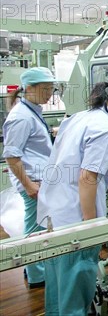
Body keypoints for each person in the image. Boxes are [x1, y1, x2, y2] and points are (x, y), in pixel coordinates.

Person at [37, 76, 108, 316]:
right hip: (76, 220)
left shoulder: (80, 117)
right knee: (75, 293)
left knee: (57, 286)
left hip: (54, 212)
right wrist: (91, 225)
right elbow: (87, 178)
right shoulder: (106, 129)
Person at [2, 67, 57, 288]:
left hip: (39, 179)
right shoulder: (21, 116)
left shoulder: (31, 110)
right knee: (36, 229)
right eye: (45, 88)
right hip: (34, 182)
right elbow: (12, 156)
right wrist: (29, 185)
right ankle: (37, 275)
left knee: (38, 226)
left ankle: (31, 268)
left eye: (52, 88)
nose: (49, 93)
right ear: (29, 88)